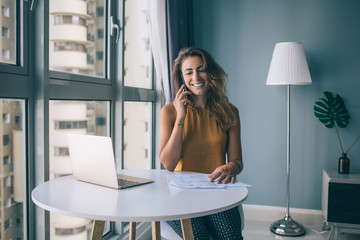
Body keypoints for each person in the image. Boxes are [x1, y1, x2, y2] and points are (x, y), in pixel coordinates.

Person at [158, 46, 244, 240]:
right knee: (199, 237)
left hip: (216, 191)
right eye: (189, 72)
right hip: (179, 194)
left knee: (231, 237)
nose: (195, 77)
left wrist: (232, 166)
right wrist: (181, 117)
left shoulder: (230, 112)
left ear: (210, 72)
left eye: (201, 69)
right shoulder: (169, 112)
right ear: (182, 78)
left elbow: (238, 161)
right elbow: (168, 164)